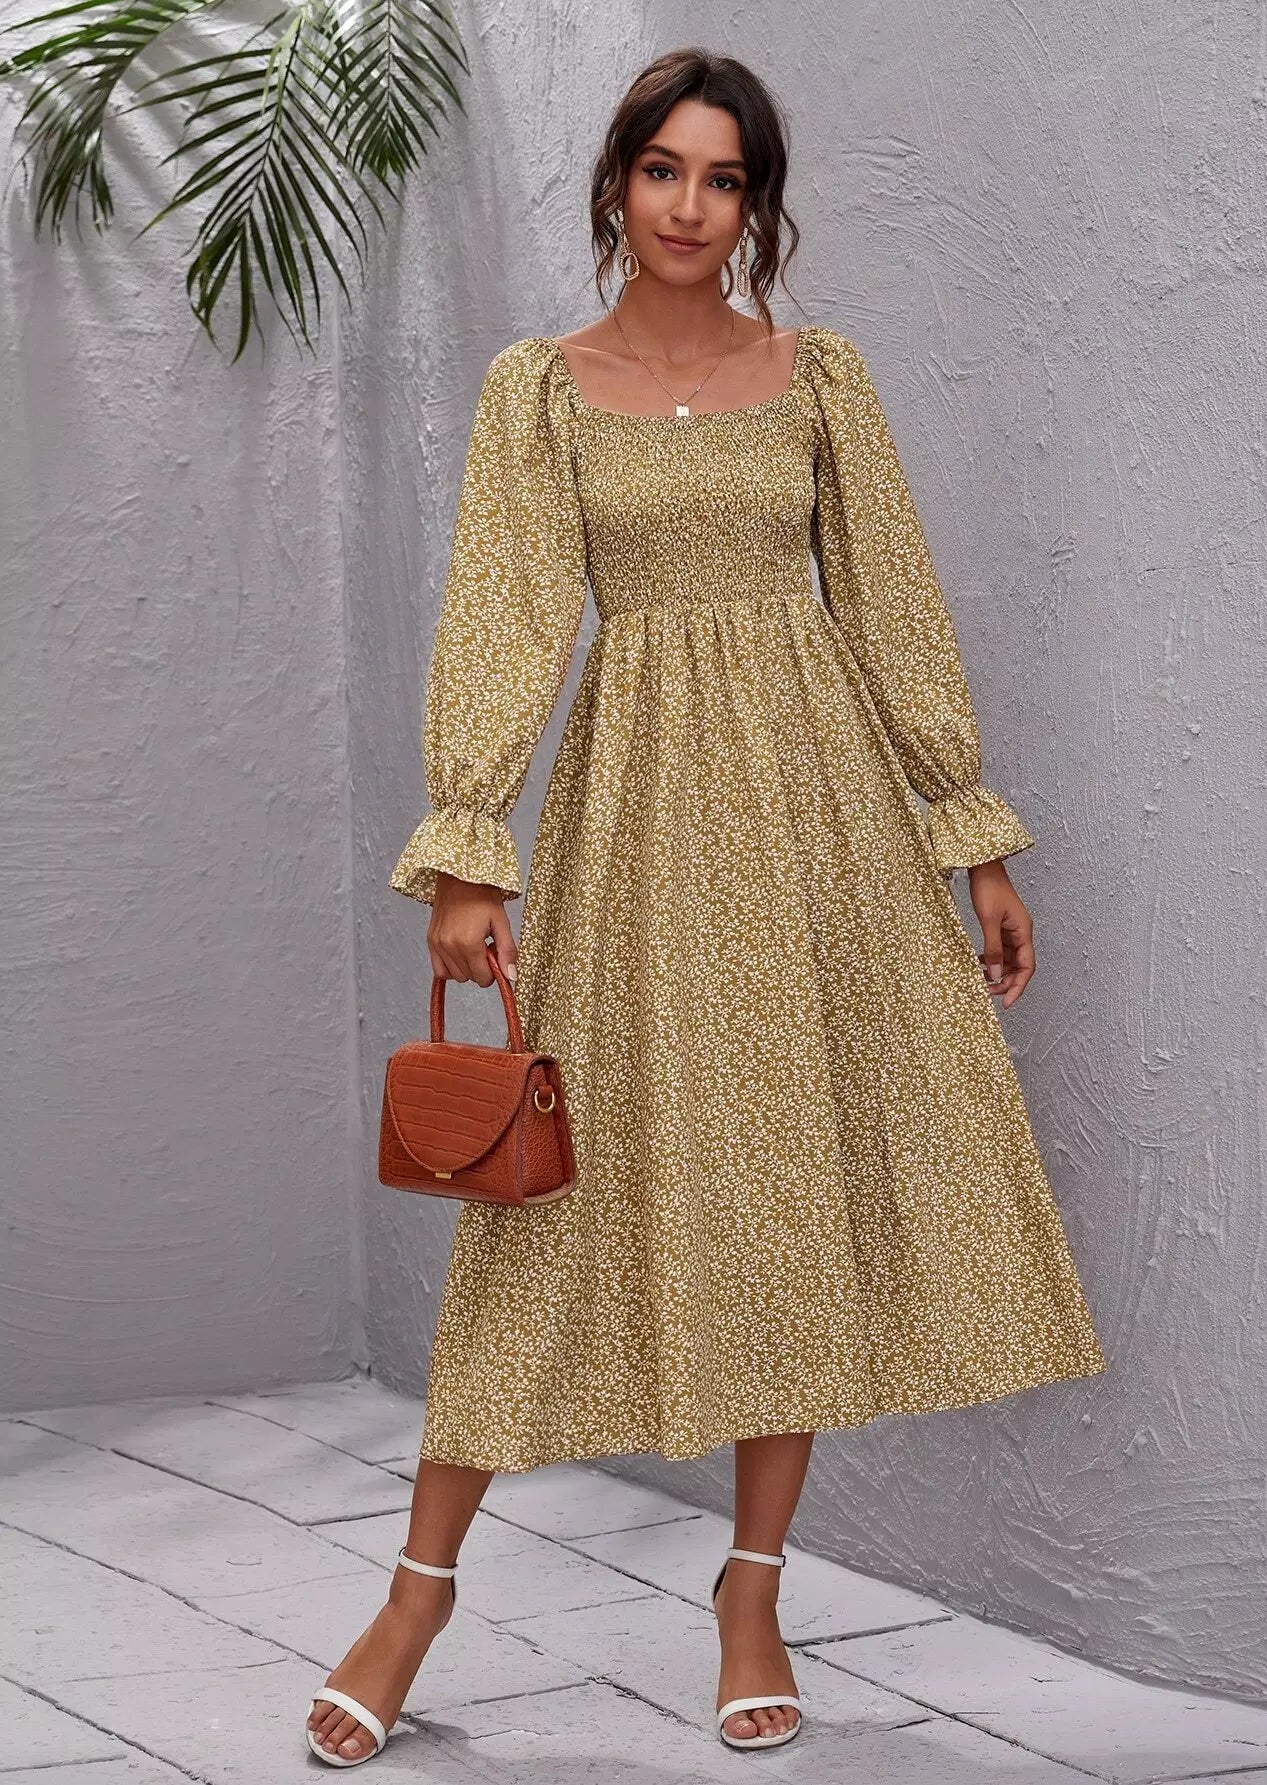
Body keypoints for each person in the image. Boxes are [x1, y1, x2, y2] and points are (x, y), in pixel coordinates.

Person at [305, 45, 1107, 1768]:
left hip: (822, 829)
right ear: (617, 184)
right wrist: (470, 851)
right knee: (545, 1210)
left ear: (757, 206)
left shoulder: (821, 380)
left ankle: (753, 1592)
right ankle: (415, 1594)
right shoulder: (543, 388)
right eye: (663, 170)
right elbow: (508, 613)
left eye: (723, 178)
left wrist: (969, 832)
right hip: (636, 815)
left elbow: (891, 604)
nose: (689, 205)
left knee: (786, 1185)